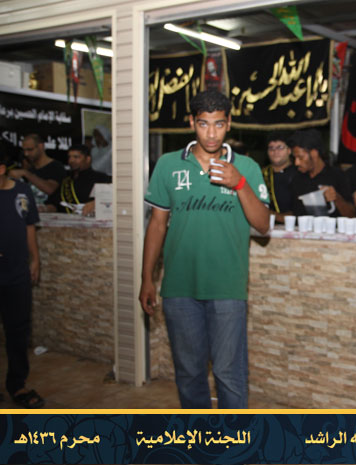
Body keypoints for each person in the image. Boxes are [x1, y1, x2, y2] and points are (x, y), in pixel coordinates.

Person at [138, 89, 270, 409]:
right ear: (191, 123)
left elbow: (264, 225)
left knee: (229, 373)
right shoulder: (168, 165)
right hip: (179, 287)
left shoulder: (247, 167)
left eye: (219, 124)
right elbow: (157, 225)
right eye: (203, 124)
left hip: (227, 286)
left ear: (229, 123)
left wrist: (239, 184)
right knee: (189, 373)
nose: (211, 133)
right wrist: (146, 278)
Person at [0, 152, 44, 408]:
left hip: (17, 272)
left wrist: (35, 259)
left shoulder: (22, 192)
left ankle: (17, 385)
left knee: (18, 330)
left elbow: (29, 226)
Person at [290, 129, 355, 218]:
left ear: (314, 153)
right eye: (294, 158)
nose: (296, 163)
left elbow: (352, 215)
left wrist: (337, 198)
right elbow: (294, 215)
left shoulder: (338, 176)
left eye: (300, 157)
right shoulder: (297, 179)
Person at [45, 144, 111, 216]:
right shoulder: (66, 179)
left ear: (88, 159)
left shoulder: (101, 179)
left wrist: (95, 203)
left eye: (76, 157)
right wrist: (45, 208)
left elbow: (109, 201)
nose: (71, 160)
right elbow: (54, 203)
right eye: (69, 157)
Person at [9, 134, 66, 208]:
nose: (26, 154)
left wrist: (26, 173)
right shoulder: (29, 168)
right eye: (24, 150)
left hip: (49, 212)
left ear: (41, 146)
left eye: (30, 150)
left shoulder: (56, 166)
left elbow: (50, 189)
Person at [262, 132, 297, 223]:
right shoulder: (262, 174)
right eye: (271, 148)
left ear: (289, 150)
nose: (275, 152)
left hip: (295, 225)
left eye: (280, 147)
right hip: (265, 225)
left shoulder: (299, 173)